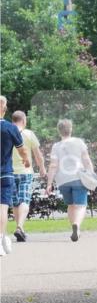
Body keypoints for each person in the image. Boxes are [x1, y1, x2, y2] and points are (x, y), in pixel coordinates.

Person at [46, 118, 95, 241]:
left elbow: (53, 165)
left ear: (59, 131)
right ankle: (76, 225)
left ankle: (74, 227)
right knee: (81, 205)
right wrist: (91, 174)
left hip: (63, 181)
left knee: (71, 205)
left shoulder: (56, 146)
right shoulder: (79, 142)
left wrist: (49, 184)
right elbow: (86, 160)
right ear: (71, 129)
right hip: (78, 178)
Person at [9, 110, 45, 243]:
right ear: (24, 121)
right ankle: (20, 227)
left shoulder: (6, 132)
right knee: (24, 200)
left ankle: (20, 228)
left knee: (16, 202)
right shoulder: (29, 134)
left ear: (12, 121)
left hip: (10, 173)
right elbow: (38, 155)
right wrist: (42, 168)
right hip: (26, 172)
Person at [1, 95, 30, 256]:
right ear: (4, 110)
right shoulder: (10, 128)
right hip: (4, 173)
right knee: (3, 207)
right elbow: (22, 149)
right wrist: (26, 160)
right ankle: (0, 239)